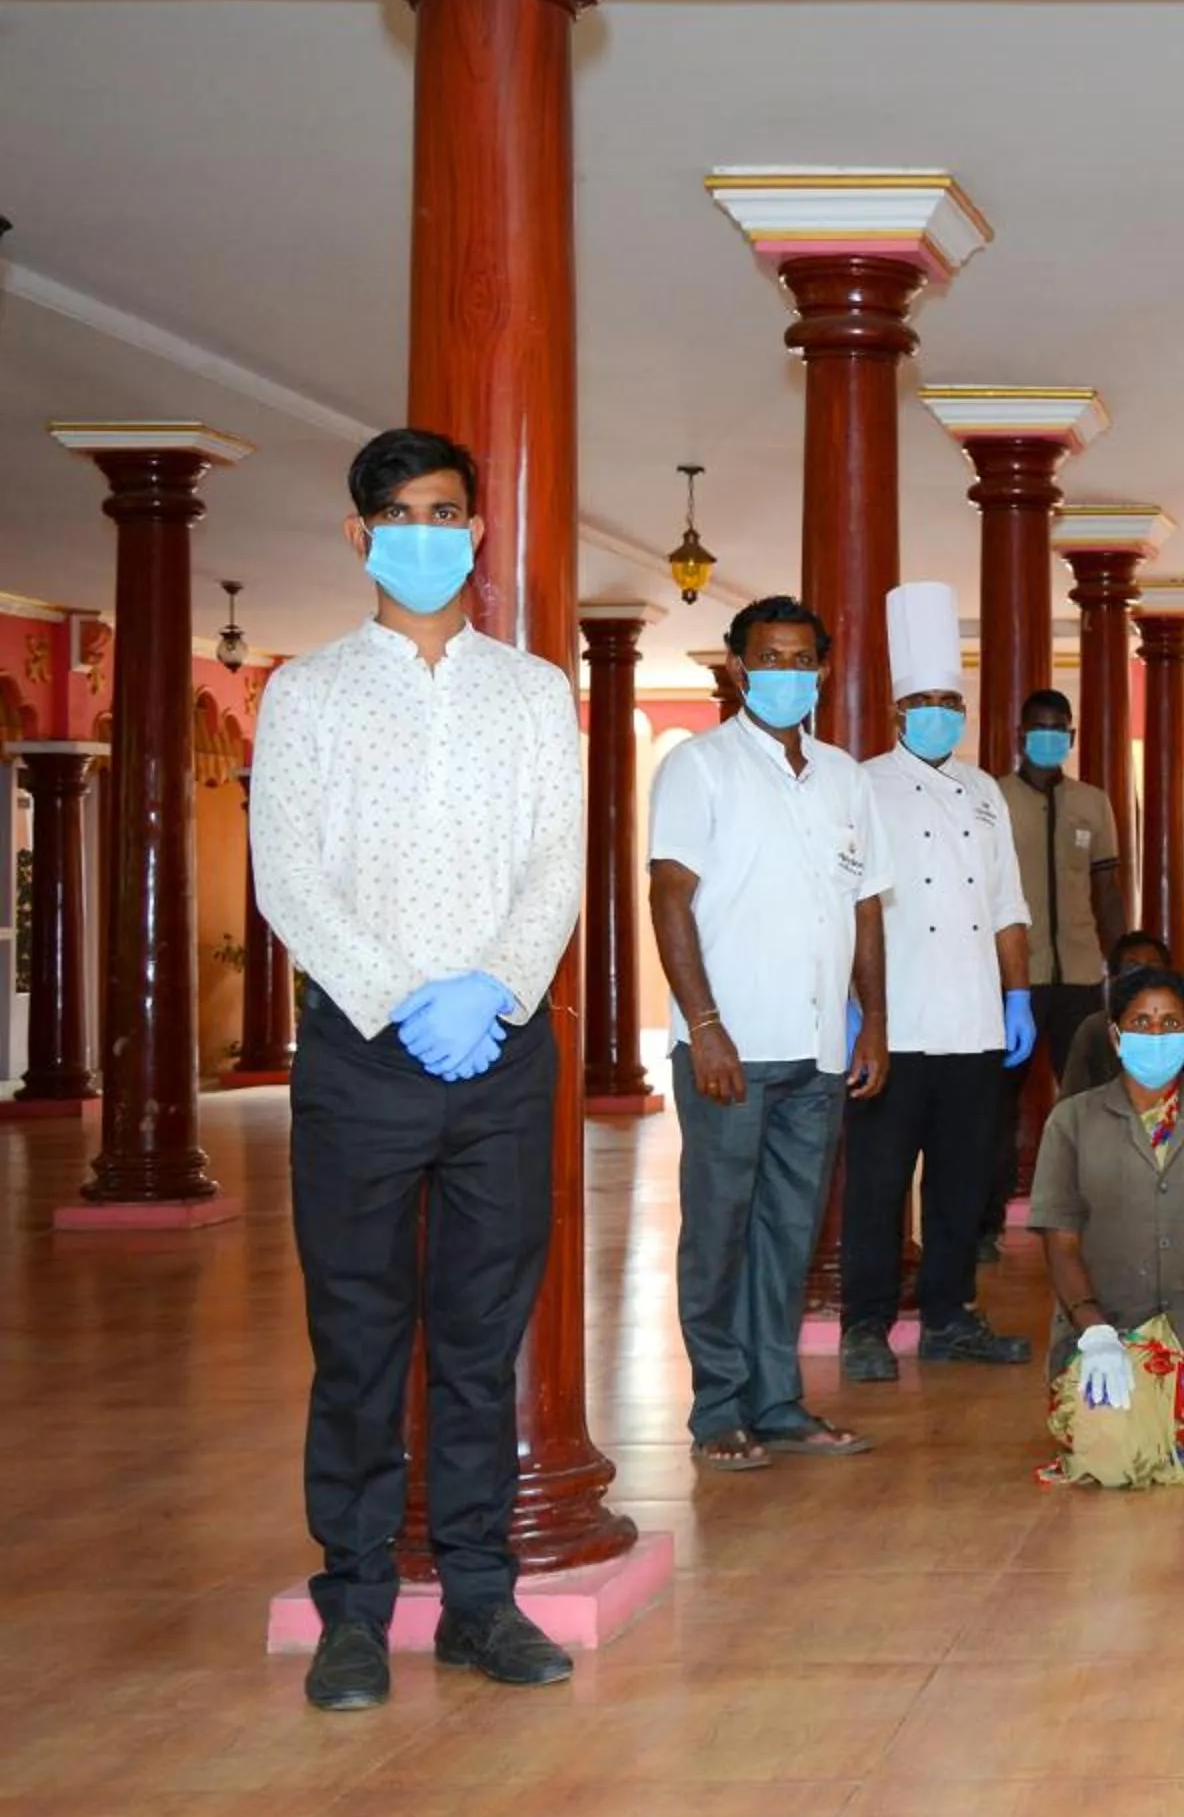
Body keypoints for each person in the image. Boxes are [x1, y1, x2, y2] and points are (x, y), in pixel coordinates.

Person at [252, 427, 583, 1710]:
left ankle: (480, 1600)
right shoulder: (308, 692)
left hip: (500, 1048)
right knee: (358, 1336)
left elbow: (557, 859)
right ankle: (353, 1606)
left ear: (479, 529)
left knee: (480, 1335)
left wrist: (493, 989)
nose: (429, 532)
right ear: (361, 535)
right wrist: (399, 1001)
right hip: (361, 1055)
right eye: (403, 512)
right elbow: (288, 875)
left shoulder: (534, 689)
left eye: (449, 510)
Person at [650, 593, 890, 1475]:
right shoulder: (698, 767)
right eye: (769, 658)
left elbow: (865, 907)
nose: (787, 673)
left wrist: (875, 1022)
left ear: (823, 669)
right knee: (718, 1228)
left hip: (821, 1047)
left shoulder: (844, 778)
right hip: (729, 1048)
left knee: (789, 1231)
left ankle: (777, 1400)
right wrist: (704, 1026)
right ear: (740, 667)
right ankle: (717, 1406)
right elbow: (668, 895)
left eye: (802, 658)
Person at [837, 583, 1040, 1386]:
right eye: (923, 702)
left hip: (975, 1023)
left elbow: (1007, 906)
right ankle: (865, 1326)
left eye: (949, 703)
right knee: (879, 1186)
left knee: (961, 1185)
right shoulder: (862, 784)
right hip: (895, 1023)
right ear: (897, 713)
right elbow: (853, 906)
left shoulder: (985, 790)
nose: (939, 715)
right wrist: (860, 1013)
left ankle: (951, 1318)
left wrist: (1017, 995)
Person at [1027, 965, 1184, 1487]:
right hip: (1111, 1333)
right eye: (1141, 1022)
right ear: (1115, 1034)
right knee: (1112, 1458)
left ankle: (1176, 1427)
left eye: (1170, 1023)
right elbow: (1061, 1241)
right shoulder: (1072, 1122)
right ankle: (1144, 1427)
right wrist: (1094, 1333)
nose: (1156, 1034)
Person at [988, 687, 1128, 1255]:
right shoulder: (991, 799)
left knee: (1092, 1097)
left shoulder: (1092, 803)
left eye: (1059, 727)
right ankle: (984, 1221)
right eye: (1039, 726)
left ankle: (1096, 1213)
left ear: (1070, 736)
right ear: (1021, 735)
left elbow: (1107, 888)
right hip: (1011, 976)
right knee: (995, 1104)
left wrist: (1121, 970)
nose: (1050, 736)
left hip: (1077, 975)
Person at [1056, 928, 1173, 1100]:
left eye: (1153, 966)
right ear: (1114, 979)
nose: (1144, 974)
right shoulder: (1095, 1028)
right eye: (1133, 967)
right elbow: (1071, 1102)